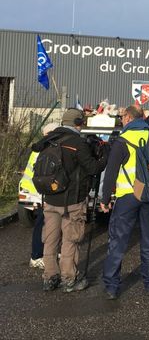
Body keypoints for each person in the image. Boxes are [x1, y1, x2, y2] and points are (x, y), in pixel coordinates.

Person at [31, 109, 108, 292]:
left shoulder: (48, 140)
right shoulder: (78, 143)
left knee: (50, 239)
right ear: (79, 123)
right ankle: (69, 278)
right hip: (72, 200)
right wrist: (104, 157)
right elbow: (92, 168)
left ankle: (50, 277)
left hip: (50, 198)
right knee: (71, 239)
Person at [100, 105, 149, 299]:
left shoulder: (122, 140)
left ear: (128, 118)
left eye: (122, 117)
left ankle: (112, 286)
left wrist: (105, 198)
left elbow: (111, 172)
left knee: (118, 241)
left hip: (128, 194)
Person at [20, 122, 59, 270]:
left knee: (47, 224)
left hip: (37, 191)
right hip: (40, 192)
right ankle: (36, 256)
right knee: (42, 224)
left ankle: (47, 252)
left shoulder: (39, 148)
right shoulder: (44, 149)